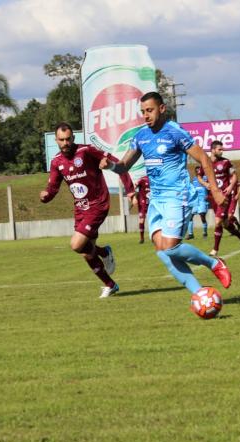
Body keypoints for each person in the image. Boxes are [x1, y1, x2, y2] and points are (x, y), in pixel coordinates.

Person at [99, 92, 232, 297]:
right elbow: (124, 166)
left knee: (170, 247)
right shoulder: (141, 136)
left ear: (162, 109)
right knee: (162, 252)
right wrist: (111, 165)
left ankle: (213, 263)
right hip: (156, 200)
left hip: (177, 196)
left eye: (150, 110)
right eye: (143, 112)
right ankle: (200, 294)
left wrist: (215, 190)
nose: (146, 115)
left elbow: (204, 159)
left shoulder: (175, 132)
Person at [40, 122, 135, 298]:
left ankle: (105, 255)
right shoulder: (56, 162)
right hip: (81, 209)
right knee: (86, 251)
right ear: (56, 140)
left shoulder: (86, 151)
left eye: (68, 139)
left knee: (76, 244)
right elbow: (53, 187)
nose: (65, 143)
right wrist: (46, 195)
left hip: (98, 204)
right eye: (61, 140)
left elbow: (118, 164)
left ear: (73, 138)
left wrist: (129, 189)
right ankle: (110, 282)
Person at [198, 140, 240, 256]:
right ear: (213, 150)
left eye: (222, 149)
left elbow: (234, 175)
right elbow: (199, 176)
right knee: (225, 224)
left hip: (224, 196)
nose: (222, 151)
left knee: (217, 221)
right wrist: (205, 184)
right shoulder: (205, 163)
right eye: (219, 149)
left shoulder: (226, 162)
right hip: (213, 196)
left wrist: (230, 186)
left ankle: (215, 250)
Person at [186, 166, 208, 239]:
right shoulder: (194, 180)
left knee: (202, 216)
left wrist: (208, 196)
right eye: (196, 171)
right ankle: (190, 234)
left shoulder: (205, 178)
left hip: (202, 200)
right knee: (190, 216)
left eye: (199, 170)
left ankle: (205, 232)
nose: (198, 171)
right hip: (195, 200)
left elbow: (209, 188)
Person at [134, 175, 150, 244]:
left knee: (154, 220)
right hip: (142, 203)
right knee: (141, 220)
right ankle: (142, 238)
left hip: (152, 202)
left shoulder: (155, 178)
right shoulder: (142, 179)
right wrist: (134, 197)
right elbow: (134, 187)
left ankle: (155, 236)